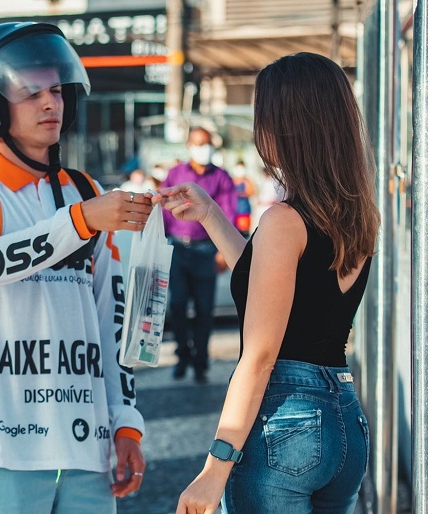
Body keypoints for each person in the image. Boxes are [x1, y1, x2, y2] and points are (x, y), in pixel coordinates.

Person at [0, 22, 151, 513]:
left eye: (56, 88)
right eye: (30, 91)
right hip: (0, 445)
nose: (50, 102)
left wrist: (126, 422)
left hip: (87, 446)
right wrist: (80, 221)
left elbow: (110, 318)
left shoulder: (88, 192)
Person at [157, 52, 380, 513]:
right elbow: (272, 287)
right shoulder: (357, 213)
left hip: (287, 420)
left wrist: (215, 467)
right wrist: (210, 214)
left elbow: (259, 356)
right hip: (343, 421)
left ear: (286, 126)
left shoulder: (284, 220)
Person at [162, 127, 237, 384]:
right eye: (198, 143)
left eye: (206, 144)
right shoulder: (176, 174)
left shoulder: (221, 178)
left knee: (205, 310)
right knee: (178, 305)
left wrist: (223, 251)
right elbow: (162, 208)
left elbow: (229, 214)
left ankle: (201, 362)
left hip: (206, 249)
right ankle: (183, 355)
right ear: (189, 145)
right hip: (178, 249)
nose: (203, 149)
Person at [231, 159, 256, 237]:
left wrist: (242, 193)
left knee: (244, 234)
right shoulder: (231, 180)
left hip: (244, 211)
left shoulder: (247, 181)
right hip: (233, 212)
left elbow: (252, 192)